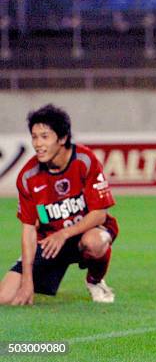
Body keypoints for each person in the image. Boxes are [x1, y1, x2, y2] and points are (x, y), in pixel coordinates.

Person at [0, 105, 119, 305]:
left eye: (44, 136)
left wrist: (64, 234)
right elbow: (28, 229)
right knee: (5, 297)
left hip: (86, 232)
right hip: (51, 243)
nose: (37, 144)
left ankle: (95, 281)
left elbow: (99, 214)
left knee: (95, 242)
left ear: (62, 138)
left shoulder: (85, 160)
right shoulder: (28, 176)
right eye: (34, 137)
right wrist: (28, 280)